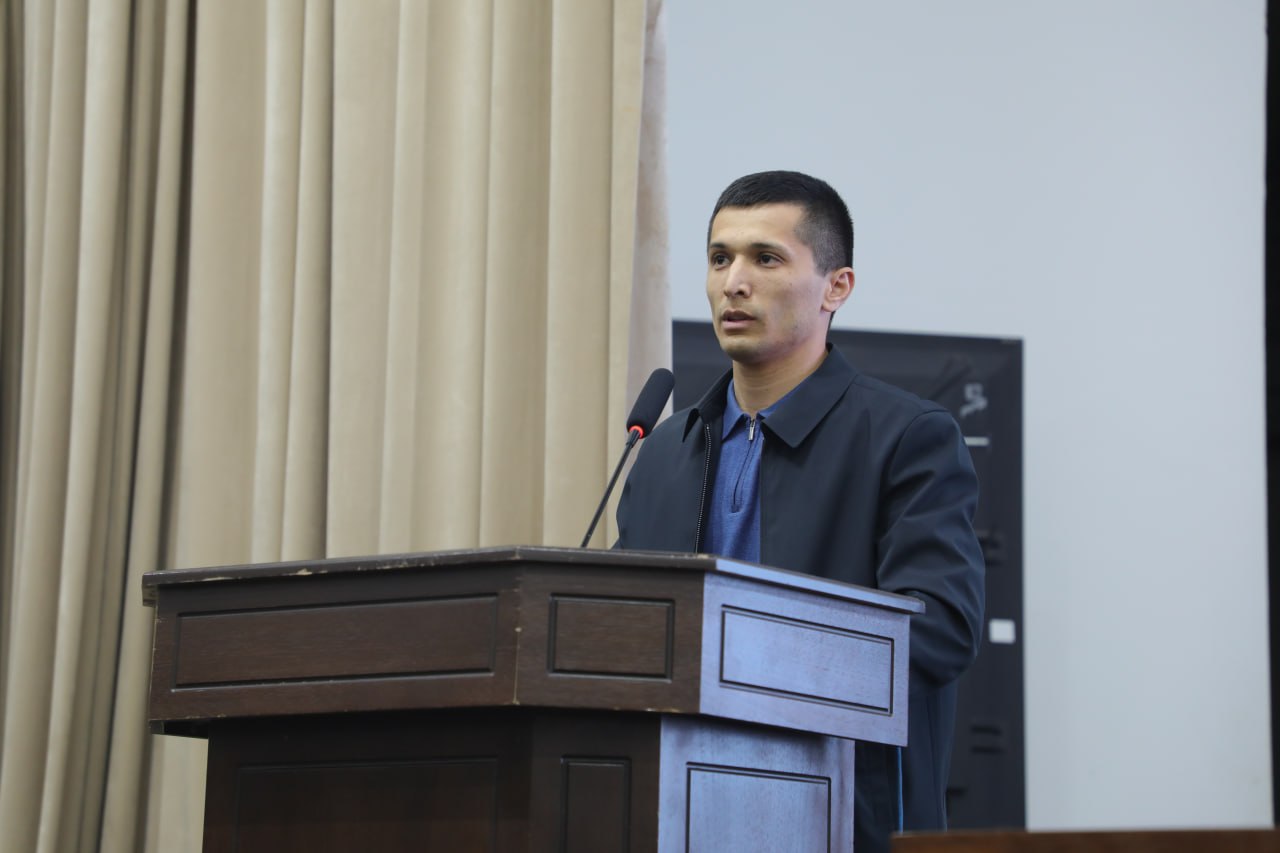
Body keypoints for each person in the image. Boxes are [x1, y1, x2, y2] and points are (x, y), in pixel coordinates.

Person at [615, 170, 985, 852]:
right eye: (720, 258)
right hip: (672, 813)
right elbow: (615, 627)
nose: (734, 282)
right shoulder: (665, 451)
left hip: (841, 817)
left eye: (766, 258)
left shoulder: (906, 437)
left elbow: (940, 628)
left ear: (836, 287)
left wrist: (747, 653)